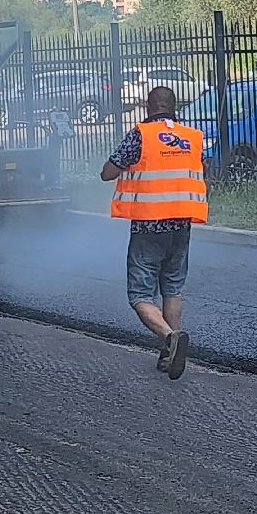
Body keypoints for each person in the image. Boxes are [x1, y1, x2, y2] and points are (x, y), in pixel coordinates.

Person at [101, 85, 208, 380]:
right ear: (174, 107)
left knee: (140, 295)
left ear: (148, 108)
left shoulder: (141, 134)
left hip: (149, 226)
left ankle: (170, 338)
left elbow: (108, 171)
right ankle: (168, 351)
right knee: (171, 288)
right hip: (181, 225)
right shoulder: (192, 137)